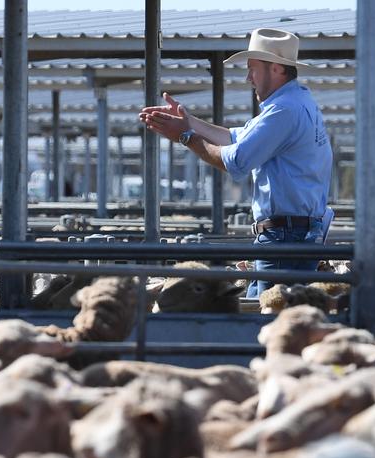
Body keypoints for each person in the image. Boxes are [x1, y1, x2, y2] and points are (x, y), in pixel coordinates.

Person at [140, 28, 332, 299]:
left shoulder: (283, 110)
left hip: (284, 238)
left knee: (264, 316)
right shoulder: (296, 103)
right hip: (292, 234)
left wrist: (185, 137)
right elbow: (234, 137)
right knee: (268, 308)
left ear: (276, 69)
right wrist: (188, 121)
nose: (248, 78)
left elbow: (236, 160)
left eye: (253, 69)